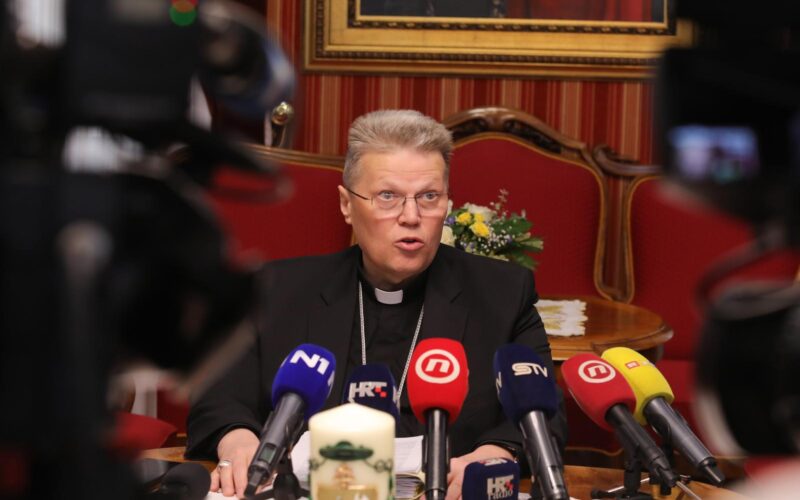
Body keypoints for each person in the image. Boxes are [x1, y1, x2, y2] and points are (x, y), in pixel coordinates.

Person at [185, 109, 567, 498]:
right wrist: (237, 440)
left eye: (429, 197)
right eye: (388, 196)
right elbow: (217, 394)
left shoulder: (502, 293)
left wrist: (492, 455)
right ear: (346, 204)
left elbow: (545, 414)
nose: (411, 216)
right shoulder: (278, 289)